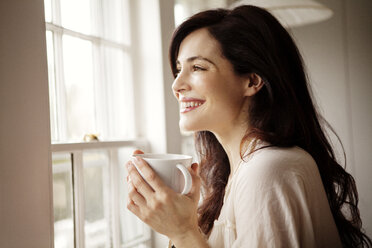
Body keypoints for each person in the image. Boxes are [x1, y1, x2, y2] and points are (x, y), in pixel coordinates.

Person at [125, 5, 372, 248]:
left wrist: (183, 233)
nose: (176, 85)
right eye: (179, 70)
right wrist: (183, 222)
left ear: (252, 80)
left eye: (197, 67)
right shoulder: (236, 173)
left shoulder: (268, 170)